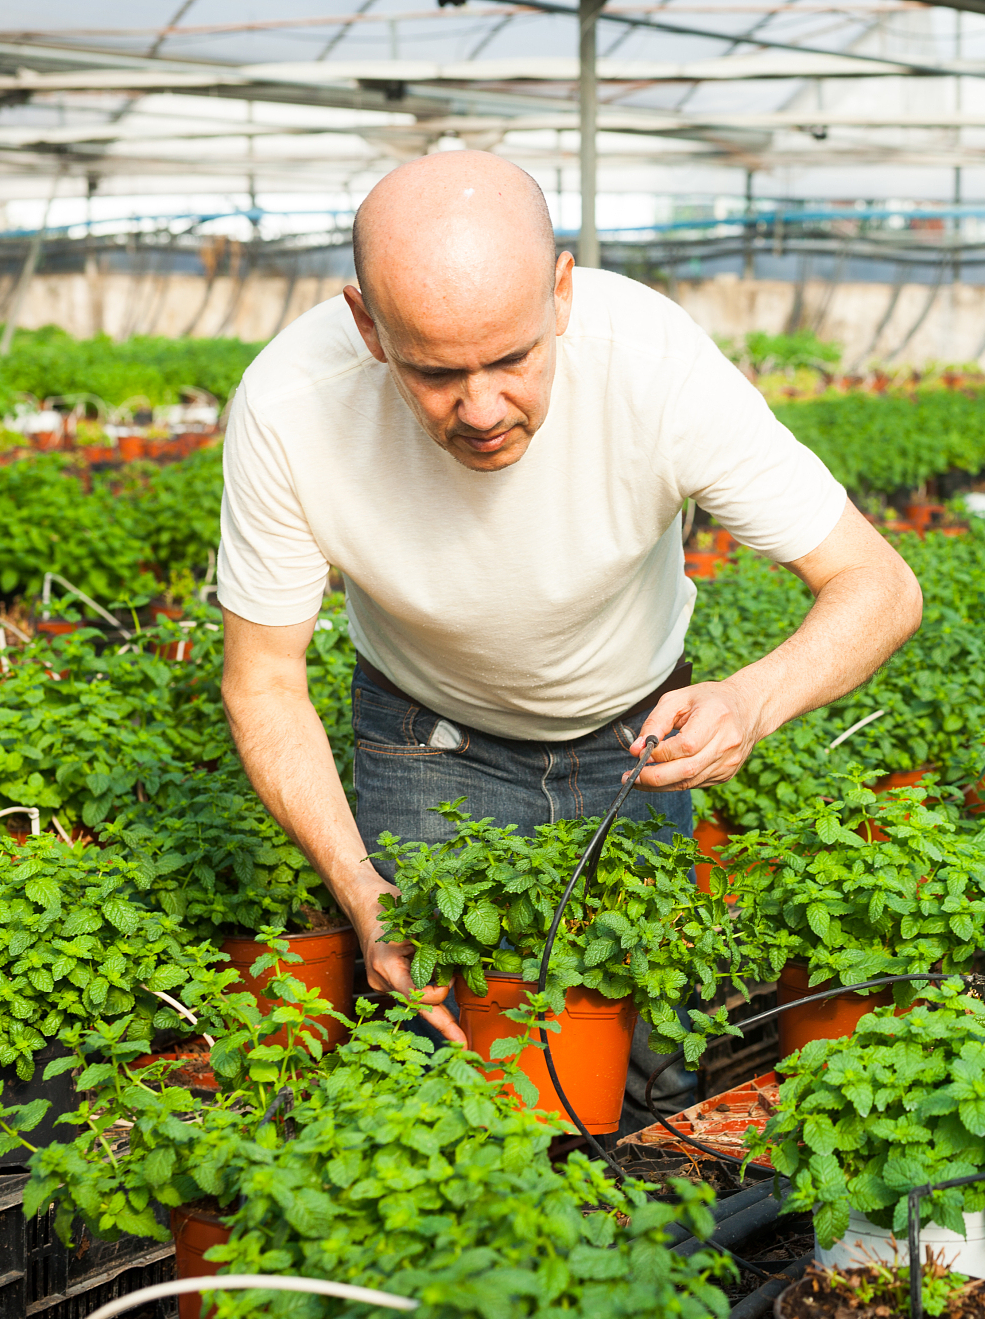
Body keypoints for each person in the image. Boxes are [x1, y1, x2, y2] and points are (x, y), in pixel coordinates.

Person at [215, 150, 923, 1127]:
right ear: (366, 323)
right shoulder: (290, 407)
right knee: (445, 1069)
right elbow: (263, 683)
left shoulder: (655, 362)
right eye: (433, 371)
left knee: (642, 1066)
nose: (481, 408)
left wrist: (750, 699)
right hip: (429, 739)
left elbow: (878, 583)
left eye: (511, 358)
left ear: (561, 292)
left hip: (636, 740)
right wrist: (362, 890)